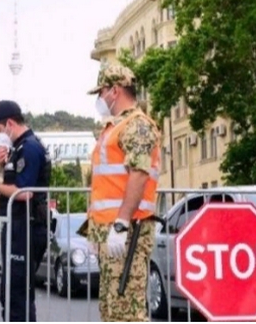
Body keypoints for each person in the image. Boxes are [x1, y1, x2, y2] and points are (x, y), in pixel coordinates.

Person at [85, 63, 162, 322]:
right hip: (112, 234)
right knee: (111, 310)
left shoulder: (137, 125)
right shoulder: (114, 127)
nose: (99, 98)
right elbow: (106, 185)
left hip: (128, 232)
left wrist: (120, 223)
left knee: (126, 311)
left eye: (101, 92)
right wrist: (94, 229)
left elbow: (138, 174)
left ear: (115, 90)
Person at [0, 100, 52, 322]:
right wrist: (3, 166)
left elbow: (24, 192)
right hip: (18, 226)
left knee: (17, 293)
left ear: (10, 123)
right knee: (11, 292)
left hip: (27, 227)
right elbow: (17, 181)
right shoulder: (18, 148)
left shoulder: (29, 147)